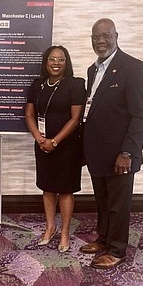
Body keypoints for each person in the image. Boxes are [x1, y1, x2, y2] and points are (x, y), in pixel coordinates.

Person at [80, 18, 143, 269]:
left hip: (121, 154)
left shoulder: (133, 68)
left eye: (106, 35)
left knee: (119, 204)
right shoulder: (93, 70)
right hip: (97, 151)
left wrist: (128, 152)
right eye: (95, 37)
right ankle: (104, 239)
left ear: (116, 36)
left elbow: (140, 116)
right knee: (103, 201)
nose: (100, 41)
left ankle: (117, 249)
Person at [25, 45, 86, 253]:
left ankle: (65, 232)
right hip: (42, 144)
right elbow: (29, 114)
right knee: (48, 187)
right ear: (46, 62)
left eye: (61, 59)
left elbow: (75, 119)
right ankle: (50, 228)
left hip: (67, 146)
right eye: (52, 59)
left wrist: (55, 142)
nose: (56, 63)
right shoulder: (37, 85)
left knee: (66, 190)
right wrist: (39, 138)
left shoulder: (75, 85)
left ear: (66, 62)